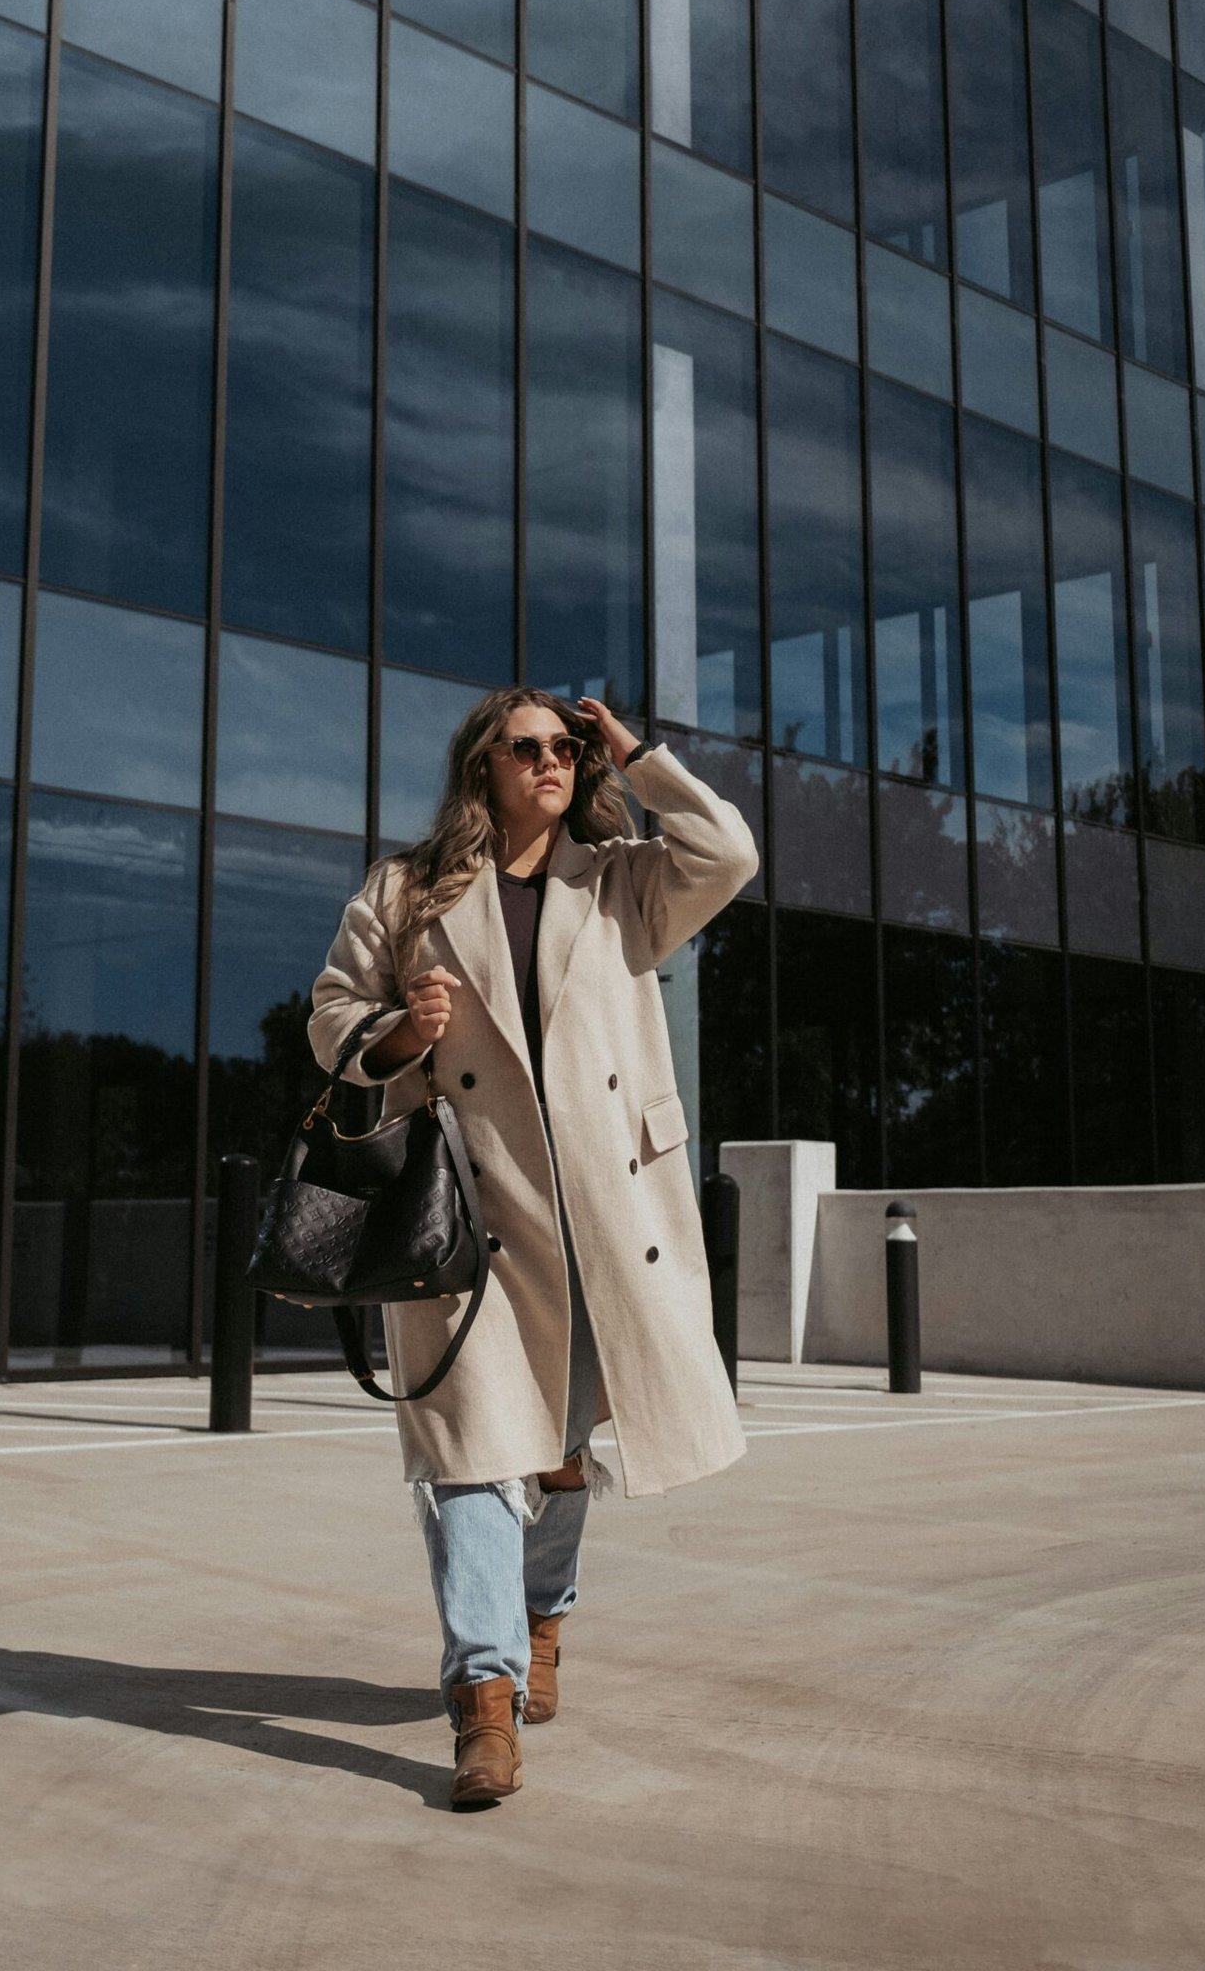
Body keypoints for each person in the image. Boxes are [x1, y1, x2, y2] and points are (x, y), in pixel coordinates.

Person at [309, 687, 757, 1809]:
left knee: (560, 1454)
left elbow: (730, 852)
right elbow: (327, 1012)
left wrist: (640, 758)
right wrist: (398, 1033)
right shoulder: (405, 891)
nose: (551, 760)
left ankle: (541, 1617)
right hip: (471, 1221)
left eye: (567, 746)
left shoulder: (621, 883)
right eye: (528, 746)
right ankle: (486, 1702)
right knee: (468, 1456)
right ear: (483, 766)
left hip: (608, 1222)